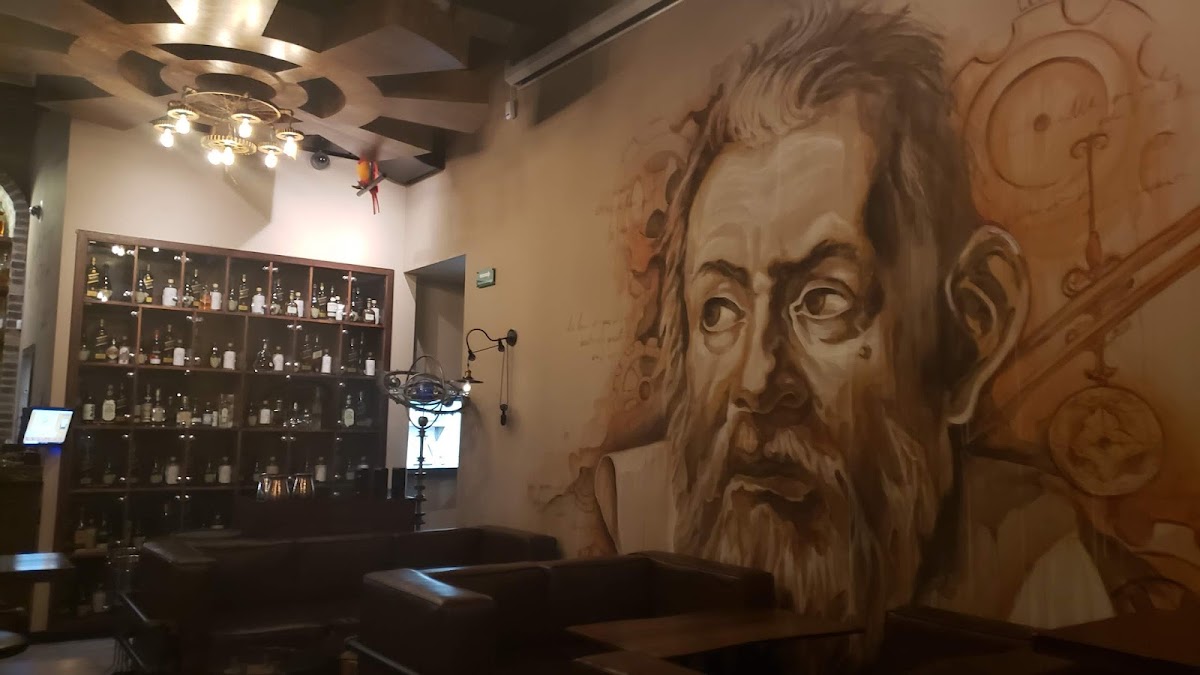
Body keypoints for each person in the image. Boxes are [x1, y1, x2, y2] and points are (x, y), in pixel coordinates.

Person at [593, 2, 1118, 640]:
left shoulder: (1037, 569)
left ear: (970, 328)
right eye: (720, 309)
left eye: (823, 299)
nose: (757, 381)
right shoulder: (635, 505)